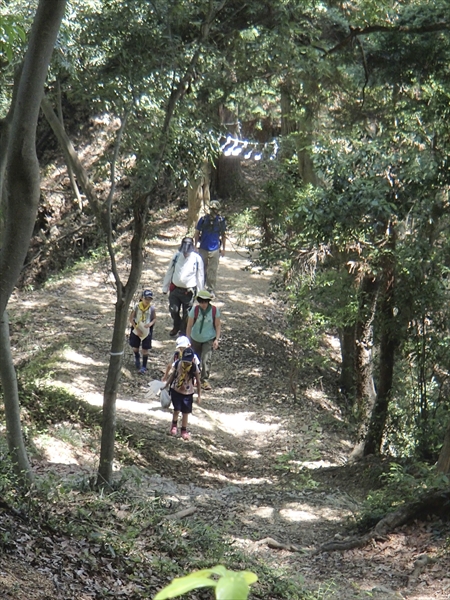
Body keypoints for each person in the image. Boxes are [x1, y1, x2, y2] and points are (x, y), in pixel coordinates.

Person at [162, 236, 204, 337]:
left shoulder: (197, 259)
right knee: (173, 309)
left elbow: (200, 276)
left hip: (189, 292)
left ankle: (183, 331)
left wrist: (200, 292)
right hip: (175, 289)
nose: (185, 253)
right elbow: (169, 271)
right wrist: (165, 287)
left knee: (187, 314)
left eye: (187, 251)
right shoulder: (176, 256)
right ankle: (177, 325)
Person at [186, 289, 221, 390]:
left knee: (206, 359)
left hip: (208, 338)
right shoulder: (195, 310)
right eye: (201, 301)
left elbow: (218, 325)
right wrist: (188, 340)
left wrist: (217, 339)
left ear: (208, 302)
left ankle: (204, 380)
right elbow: (189, 326)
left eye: (205, 302)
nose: (203, 304)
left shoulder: (214, 311)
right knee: (194, 359)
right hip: (195, 338)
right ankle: (193, 378)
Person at [164, 347, 201, 440]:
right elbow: (173, 375)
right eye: (185, 360)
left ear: (193, 359)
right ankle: (174, 425)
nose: (186, 363)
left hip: (188, 393)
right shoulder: (178, 364)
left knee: (186, 412)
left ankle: (184, 430)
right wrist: (166, 385)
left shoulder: (194, 367)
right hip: (176, 390)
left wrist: (199, 395)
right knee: (176, 409)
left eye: (189, 361)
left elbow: (199, 382)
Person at [194, 200, 226, 294]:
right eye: (212, 209)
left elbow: (224, 235)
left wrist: (223, 249)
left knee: (212, 270)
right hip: (203, 248)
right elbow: (196, 233)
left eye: (215, 209)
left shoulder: (221, 221)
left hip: (215, 249)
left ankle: (210, 289)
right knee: (201, 269)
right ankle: (200, 287)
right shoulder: (203, 219)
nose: (213, 211)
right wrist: (195, 246)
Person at [128, 289, 156, 374]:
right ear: (141, 298)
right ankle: (137, 356)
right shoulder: (136, 307)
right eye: (146, 298)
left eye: (150, 299)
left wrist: (150, 324)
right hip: (137, 326)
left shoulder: (151, 308)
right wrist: (136, 328)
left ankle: (144, 366)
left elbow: (154, 318)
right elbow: (131, 318)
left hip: (146, 328)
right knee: (135, 347)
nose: (147, 301)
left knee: (145, 349)